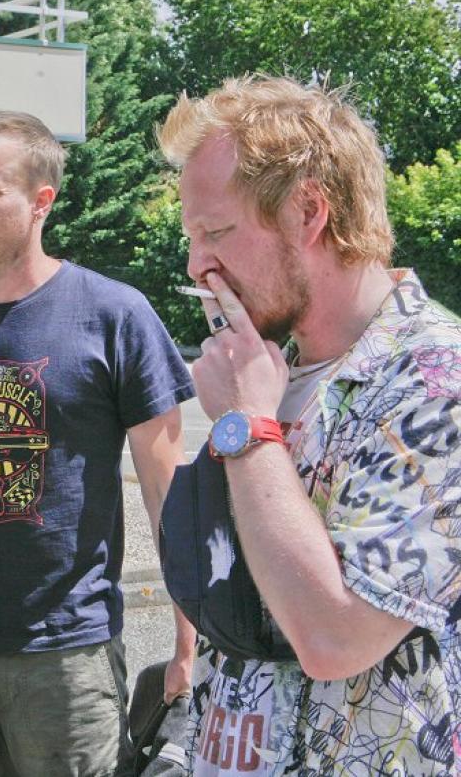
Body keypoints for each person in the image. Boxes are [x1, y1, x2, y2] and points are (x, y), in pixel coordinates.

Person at [0, 110, 198, 776]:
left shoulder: (116, 317)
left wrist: (190, 637)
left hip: (69, 657)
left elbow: (167, 491)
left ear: (40, 201)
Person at [158, 76, 461, 774]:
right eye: (192, 237)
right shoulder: (271, 370)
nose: (197, 264)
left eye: (216, 232)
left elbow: (334, 637)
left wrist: (246, 425)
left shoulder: (434, 382)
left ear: (309, 211)